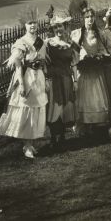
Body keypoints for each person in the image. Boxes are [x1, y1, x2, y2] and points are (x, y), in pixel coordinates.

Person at [0, 14, 48, 159]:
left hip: (38, 78)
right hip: (26, 77)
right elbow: (18, 66)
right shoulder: (21, 42)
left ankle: (31, 143)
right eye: (30, 23)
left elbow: (43, 62)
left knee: (35, 109)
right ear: (25, 26)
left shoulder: (41, 42)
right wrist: (22, 85)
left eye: (35, 23)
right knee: (26, 109)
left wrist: (45, 77)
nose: (33, 26)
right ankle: (27, 145)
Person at [71, 8, 111, 134]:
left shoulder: (98, 33)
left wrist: (100, 56)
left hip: (96, 68)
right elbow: (75, 50)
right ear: (83, 19)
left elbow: (101, 48)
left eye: (92, 17)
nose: (90, 19)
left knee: (96, 95)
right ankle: (84, 123)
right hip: (84, 68)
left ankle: (96, 122)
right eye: (87, 17)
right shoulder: (77, 33)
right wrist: (83, 57)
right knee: (85, 96)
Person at [44, 11, 77, 151]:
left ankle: (62, 136)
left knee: (65, 107)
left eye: (61, 26)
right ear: (53, 29)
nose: (58, 29)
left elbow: (74, 63)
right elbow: (44, 63)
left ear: (65, 27)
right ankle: (53, 137)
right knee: (54, 107)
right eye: (56, 27)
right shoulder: (48, 43)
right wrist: (45, 78)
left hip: (67, 78)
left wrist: (75, 80)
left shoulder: (70, 43)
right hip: (53, 79)